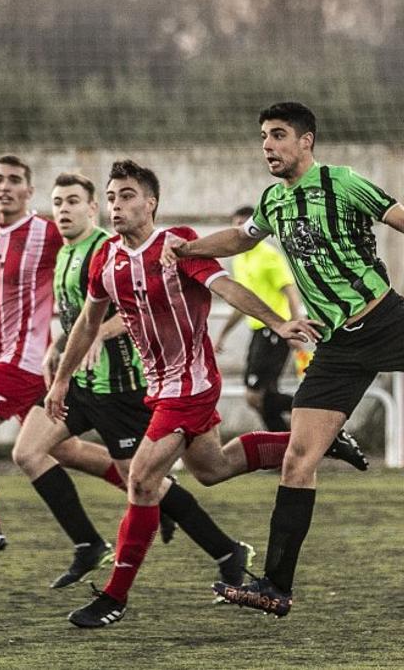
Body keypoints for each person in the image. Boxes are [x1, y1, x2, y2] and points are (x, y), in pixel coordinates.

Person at [43, 159, 364, 629]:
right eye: (111, 197)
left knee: (142, 480)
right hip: (161, 388)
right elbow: (88, 323)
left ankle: (114, 596)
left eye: (127, 195)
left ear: (151, 203)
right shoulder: (105, 258)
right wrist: (61, 378)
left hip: (189, 384)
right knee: (213, 469)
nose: (116, 205)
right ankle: (316, 442)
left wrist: (277, 322)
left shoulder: (178, 245)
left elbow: (228, 286)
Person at [166, 101, 404, 617]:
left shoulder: (343, 183)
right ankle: (275, 586)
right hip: (337, 347)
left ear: (306, 141)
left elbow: (400, 218)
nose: (267, 146)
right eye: (263, 138)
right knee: (298, 459)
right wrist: (187, 249)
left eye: (277, 136)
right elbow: (239, 238)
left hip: (387, 320)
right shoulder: (274, 200)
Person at [14, 172, 252, 592]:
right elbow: (78, 317)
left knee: (145, 481)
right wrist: (59, 356)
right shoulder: (68, 253)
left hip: (120, 385)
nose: (63, 210)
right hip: (82, 383)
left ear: (92, 210)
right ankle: (88, 543)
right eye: (57, 202)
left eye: (73, 201)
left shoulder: (107, 248)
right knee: (30, 451)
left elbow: (132, 308)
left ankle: (223, 549)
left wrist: (97, 337)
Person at [0, 155, 126, 572]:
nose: (5, 186)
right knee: (68, 450)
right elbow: (4, 294)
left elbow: (91, 254)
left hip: (23, 364)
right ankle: (155, 491)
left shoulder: (45, 230)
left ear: (28, 191)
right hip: (18, 362)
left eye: (14, 180)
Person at [211, 205, 306, 432]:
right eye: (235, 226)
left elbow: (291, 292)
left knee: (255, 396)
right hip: (258, 332)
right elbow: (241, 302)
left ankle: (314, 411)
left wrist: (294, 328)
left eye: (243, 226)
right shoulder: (239, 259)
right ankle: (284, 446)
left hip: (275, 331)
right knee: (264, 395)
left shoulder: (268, 255)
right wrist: (222, 335)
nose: (239, 231)